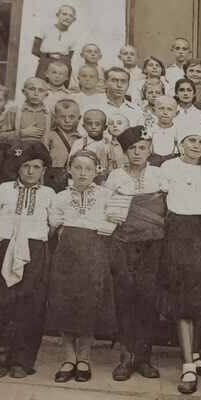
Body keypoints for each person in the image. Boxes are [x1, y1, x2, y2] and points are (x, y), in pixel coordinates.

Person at [159, 123, 201, 394]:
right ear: (180, 144)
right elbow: (161, 202)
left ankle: (195, 357)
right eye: (191, 141)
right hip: (176, 233)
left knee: (198, 300)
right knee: (182, 300)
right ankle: (187, 365)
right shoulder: (168, 168)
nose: (196, 146)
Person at [0, 141, 56, 379]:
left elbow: (53, 225)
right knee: (0, 303)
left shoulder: (49, 194)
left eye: (36, 167)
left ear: (44, 170)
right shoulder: (3, 189)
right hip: (4, 247)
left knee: (31, 306)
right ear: (18, 167)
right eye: (25, 166)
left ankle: (22, 361)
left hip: (35, 250)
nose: (30, 171)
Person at [47, 150, 117, 383]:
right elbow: (54, 226)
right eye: (77, 167)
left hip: (94, 254)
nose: (82, 173)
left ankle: (84, 357)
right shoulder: (60, 197)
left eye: (88, 168)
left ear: (97, 170)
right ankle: (68, 358)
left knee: (89, 304)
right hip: (66, 255)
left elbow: (113, 224)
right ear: (69, 169)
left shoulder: (107, 195)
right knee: (65, 303)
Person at [104, 126, 167, 380]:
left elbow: (165, 209)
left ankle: (144, 357)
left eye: (142, 147)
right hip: (123, 243)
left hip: (153, 244)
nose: (137, 153)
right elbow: (110, 211)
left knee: (147, 297)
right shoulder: (116, 177)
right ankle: (126, 357)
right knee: (125, 296)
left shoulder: (160, 175)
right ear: (124, 151)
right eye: (132, 148)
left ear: (150, 149)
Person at [42, 99, 81, 191]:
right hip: (52, 175)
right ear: (55, 118)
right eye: (62, 117)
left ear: (79, 118)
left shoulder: (80, 138)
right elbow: (42, 158)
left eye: (71, 117)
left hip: (73, 175)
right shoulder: (50, 136)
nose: (67, 120)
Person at [32, 4, 77, 78]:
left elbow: (69, 57)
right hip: (45, 64)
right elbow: (35, 50)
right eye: (64, 14)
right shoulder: (45, 29)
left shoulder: (73, 36)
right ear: (57, 15)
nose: (67, 18)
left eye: (70, 16)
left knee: (61, 88)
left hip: (63, 66)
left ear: (74, 19)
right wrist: (48, 57)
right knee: (41, 86)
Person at [69, 108, 110, 177]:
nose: (93, 127)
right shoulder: (79, 143)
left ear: (105, 127)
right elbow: (71, 164)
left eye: (97, 124)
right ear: (84, 126)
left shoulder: (108, 143)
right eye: (89, 124)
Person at [147, 95, 181, 166]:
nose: (165, 112)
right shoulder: (149, 131)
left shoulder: (179, 132)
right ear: (153, 111)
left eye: (169, 109)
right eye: (161, 108)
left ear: (176, 113)